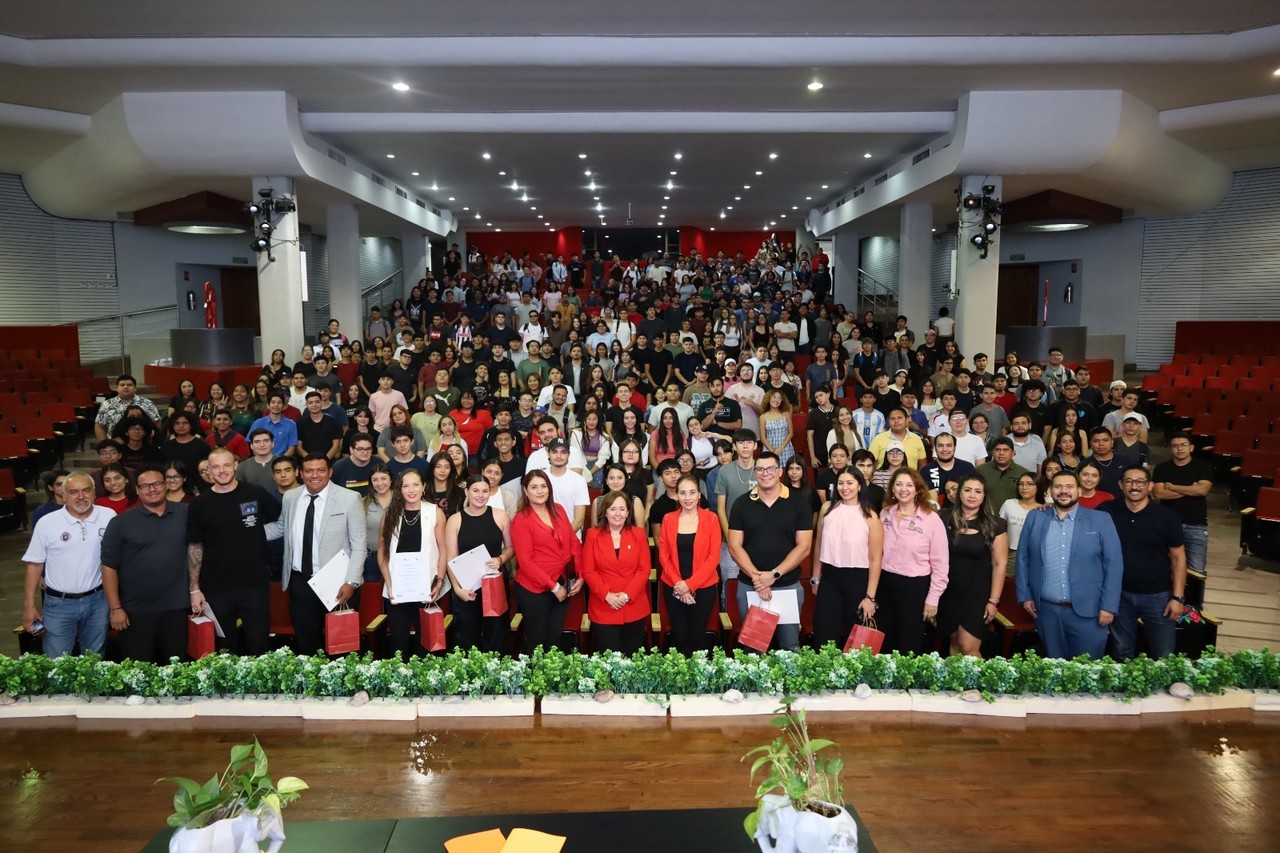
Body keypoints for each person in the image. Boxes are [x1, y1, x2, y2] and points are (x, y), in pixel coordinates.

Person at [1015, 469, 1123, 660]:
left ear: (1079, 491)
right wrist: (1025, 596)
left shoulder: (1101, 520)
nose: (1064, 491)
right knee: (1053, 671)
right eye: (1058, 486)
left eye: (1069, 486)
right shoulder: (1036, 517)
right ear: (1050, 491)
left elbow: (1113, 565)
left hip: (1089, 613)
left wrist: (1109, 606)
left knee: (1088, 672)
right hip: (1047, 611)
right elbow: (1023, 558)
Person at [265, 454, 366, 655]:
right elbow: (281, 528)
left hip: (338, 583)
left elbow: (359, 545)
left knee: (342, 647)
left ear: (330, 472)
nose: (314, 475)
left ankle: (344, 686)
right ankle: (312, 686)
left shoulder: (349, 498)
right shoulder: (290, 497)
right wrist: (244, 532)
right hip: (301, 582)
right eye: (309, 471)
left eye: (320, 470)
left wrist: (351, 582)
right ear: (301, 474)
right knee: (306, 644)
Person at [186, 448, 280, 654]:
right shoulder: (199, 505)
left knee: (260, 645)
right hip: (217, 588)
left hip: (255, 585)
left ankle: (260, 688)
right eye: (216, 467)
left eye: (226, 465)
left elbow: (280, 521)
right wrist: (194, 588)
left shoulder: (256, 493)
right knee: (224, 649)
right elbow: (195, 547)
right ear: (209, 470)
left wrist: (259, 535)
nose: (222, 471)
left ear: (236, 465)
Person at [99, 465, 189, 664]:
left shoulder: (186, 514)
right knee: (138, 670)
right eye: (145, 486)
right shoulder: (120, 522)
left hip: (176, 608)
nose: (152, 489)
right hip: (135, 610)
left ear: (166, 486)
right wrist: (115, 608)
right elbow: (108, 567)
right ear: (137, 490)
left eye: (157, 483)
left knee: (175, 670)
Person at [727, 451, 814, 652]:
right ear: (755, 473)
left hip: (787, 585)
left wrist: (773, 575)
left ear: (780, 471)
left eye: (770, 468)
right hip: (751, 586)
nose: (765, 473)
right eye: (760, 469)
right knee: (753, 650)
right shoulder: (741, 504)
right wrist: (759, 578)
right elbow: (734, 546)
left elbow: (804, 547)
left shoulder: (798, 503)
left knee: (789, 649)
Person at [21, 472, 115, 657]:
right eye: (73, 492)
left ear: (94, 493)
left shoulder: (109, 516)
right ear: (63, 495)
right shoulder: (47, 522)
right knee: (57, 663)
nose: (81, 497)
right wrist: (29, 605)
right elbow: (34, 565)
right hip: (59, 604)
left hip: (98, 600)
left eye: (86, 490)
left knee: (94, 661)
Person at [1103, 467, 1188, 660]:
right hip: (1119, 595)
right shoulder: (1106, 511)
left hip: (1158, 596)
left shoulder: (1167, 516)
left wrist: (1178, 597)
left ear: (1150, 486)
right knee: (1121, 652)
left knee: (1164, 653)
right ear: (1120, 485)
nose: (1134, 486)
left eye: (1140, 482)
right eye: (1129, 481)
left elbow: (1178, 557)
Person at [509, 470, 584, 654]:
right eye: (534, 487)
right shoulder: (521, 519)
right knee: (537, 638)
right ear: (526, 491)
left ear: (549, 489)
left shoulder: (558, 509)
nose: (540, 491)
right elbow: (525, 562)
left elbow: (573, 543)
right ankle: (534, 681)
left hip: (561, 580)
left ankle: (552, 680)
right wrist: (554, 587)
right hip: (534, 588)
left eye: (543, 486)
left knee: (554, 636)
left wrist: (580, 576)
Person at [375, 468, 447, 658]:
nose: (411, 489)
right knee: (398, 643)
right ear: (400, 489)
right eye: (405, 485)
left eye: (415, 484)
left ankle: (426, 686)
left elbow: (443, 550)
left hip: (428, 588)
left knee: (428, 643)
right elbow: (382, 551)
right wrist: (389, 584)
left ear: (423, 487)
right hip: (398, 588)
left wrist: (439, 582)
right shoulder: (390, 514)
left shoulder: (435, 512)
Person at [811, 468, 883, 649]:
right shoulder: (827, 508)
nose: (845, 488)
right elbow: (818, 545)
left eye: (850, 483)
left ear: (860, 486)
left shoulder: (871, 516)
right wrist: (815, 578)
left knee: (856, 641)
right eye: (841, 483)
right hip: (830, 579)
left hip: (858, 580)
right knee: (824, 636)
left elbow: (876, 558)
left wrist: (870, 597)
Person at [937, 475, 1008, 657]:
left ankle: (976, 686)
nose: (972, 495)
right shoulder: (943, 517)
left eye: (978, 491)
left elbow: (999, 564)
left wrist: (993, 601)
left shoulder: (995, 524)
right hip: (949, 592)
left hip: (978, 594)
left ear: (984, 496)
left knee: (968, 647)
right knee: (953, 642)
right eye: (967, 490)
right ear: (958, 492)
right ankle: (958, 686)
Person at [444, 476, 513, 652]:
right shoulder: (455, 519)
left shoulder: (501, 516)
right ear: (467, 492)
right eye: (476, 491)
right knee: (466, 635)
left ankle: (497, 675)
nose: (480, 495)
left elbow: (511, 548)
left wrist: (500, 559)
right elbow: (451, 557)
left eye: (485, 491)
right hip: (466, 586)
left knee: (496, 632)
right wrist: (457, 588)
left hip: (494, 583)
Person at [579, 490, 652, 653]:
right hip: (604, 606)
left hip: (634, 605)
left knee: (632, 661)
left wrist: (626, 595)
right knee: (608, 662)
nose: (617, 513)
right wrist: (607, 595)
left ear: (628, 512)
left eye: (621, 509)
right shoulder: (593, 535)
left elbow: (644, 569)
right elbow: (588, 571)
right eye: (612, 509)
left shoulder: (638, 534)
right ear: (605, 512)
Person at [657, 473, 722, 655]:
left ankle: (698, 682)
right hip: (673, 586)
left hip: (704, 587)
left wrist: (689, 585)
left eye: (692, 492)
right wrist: (680, 584)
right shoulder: (668, 519)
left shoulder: (711, 519)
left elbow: (713, 557)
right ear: (676, 495)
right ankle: (680, 681)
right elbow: (664, 556)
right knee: (679, 636)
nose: (688, 498)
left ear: (699, 495)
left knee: (697, 636)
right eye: (683, 493)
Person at [1152, 430, 1213, 578]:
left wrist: (1173, 487)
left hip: (1196, 526)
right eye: (1175, 445)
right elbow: (1159, 493)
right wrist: (1191, 488)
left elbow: (1203, 490)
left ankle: (1194, 602)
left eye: (1184, 445)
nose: (1180, 449)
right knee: (1164, 567)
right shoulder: (1161, 468)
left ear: (1191, 447)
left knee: (1196, 570)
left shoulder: (1203, 466)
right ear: (1170, 448)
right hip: (1167, 524)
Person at [999, 472, 1044, 577]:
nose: (1024, 487)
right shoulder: (1009, 504)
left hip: (1034, 555)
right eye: (1021, 484)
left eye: (1030, 484)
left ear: (1038, 486)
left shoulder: (1044, 509)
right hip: (1011, 553)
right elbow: (1000, 530)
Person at [94, 374, 162, 441]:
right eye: (122, 385)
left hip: (142, 445)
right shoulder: (106, 404)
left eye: (129, 385)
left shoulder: (147, 403)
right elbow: (99, 426)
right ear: (117, 388)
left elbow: (156, 423)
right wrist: (104, 445)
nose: (126, 387)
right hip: (116, 445)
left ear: (135, 388)